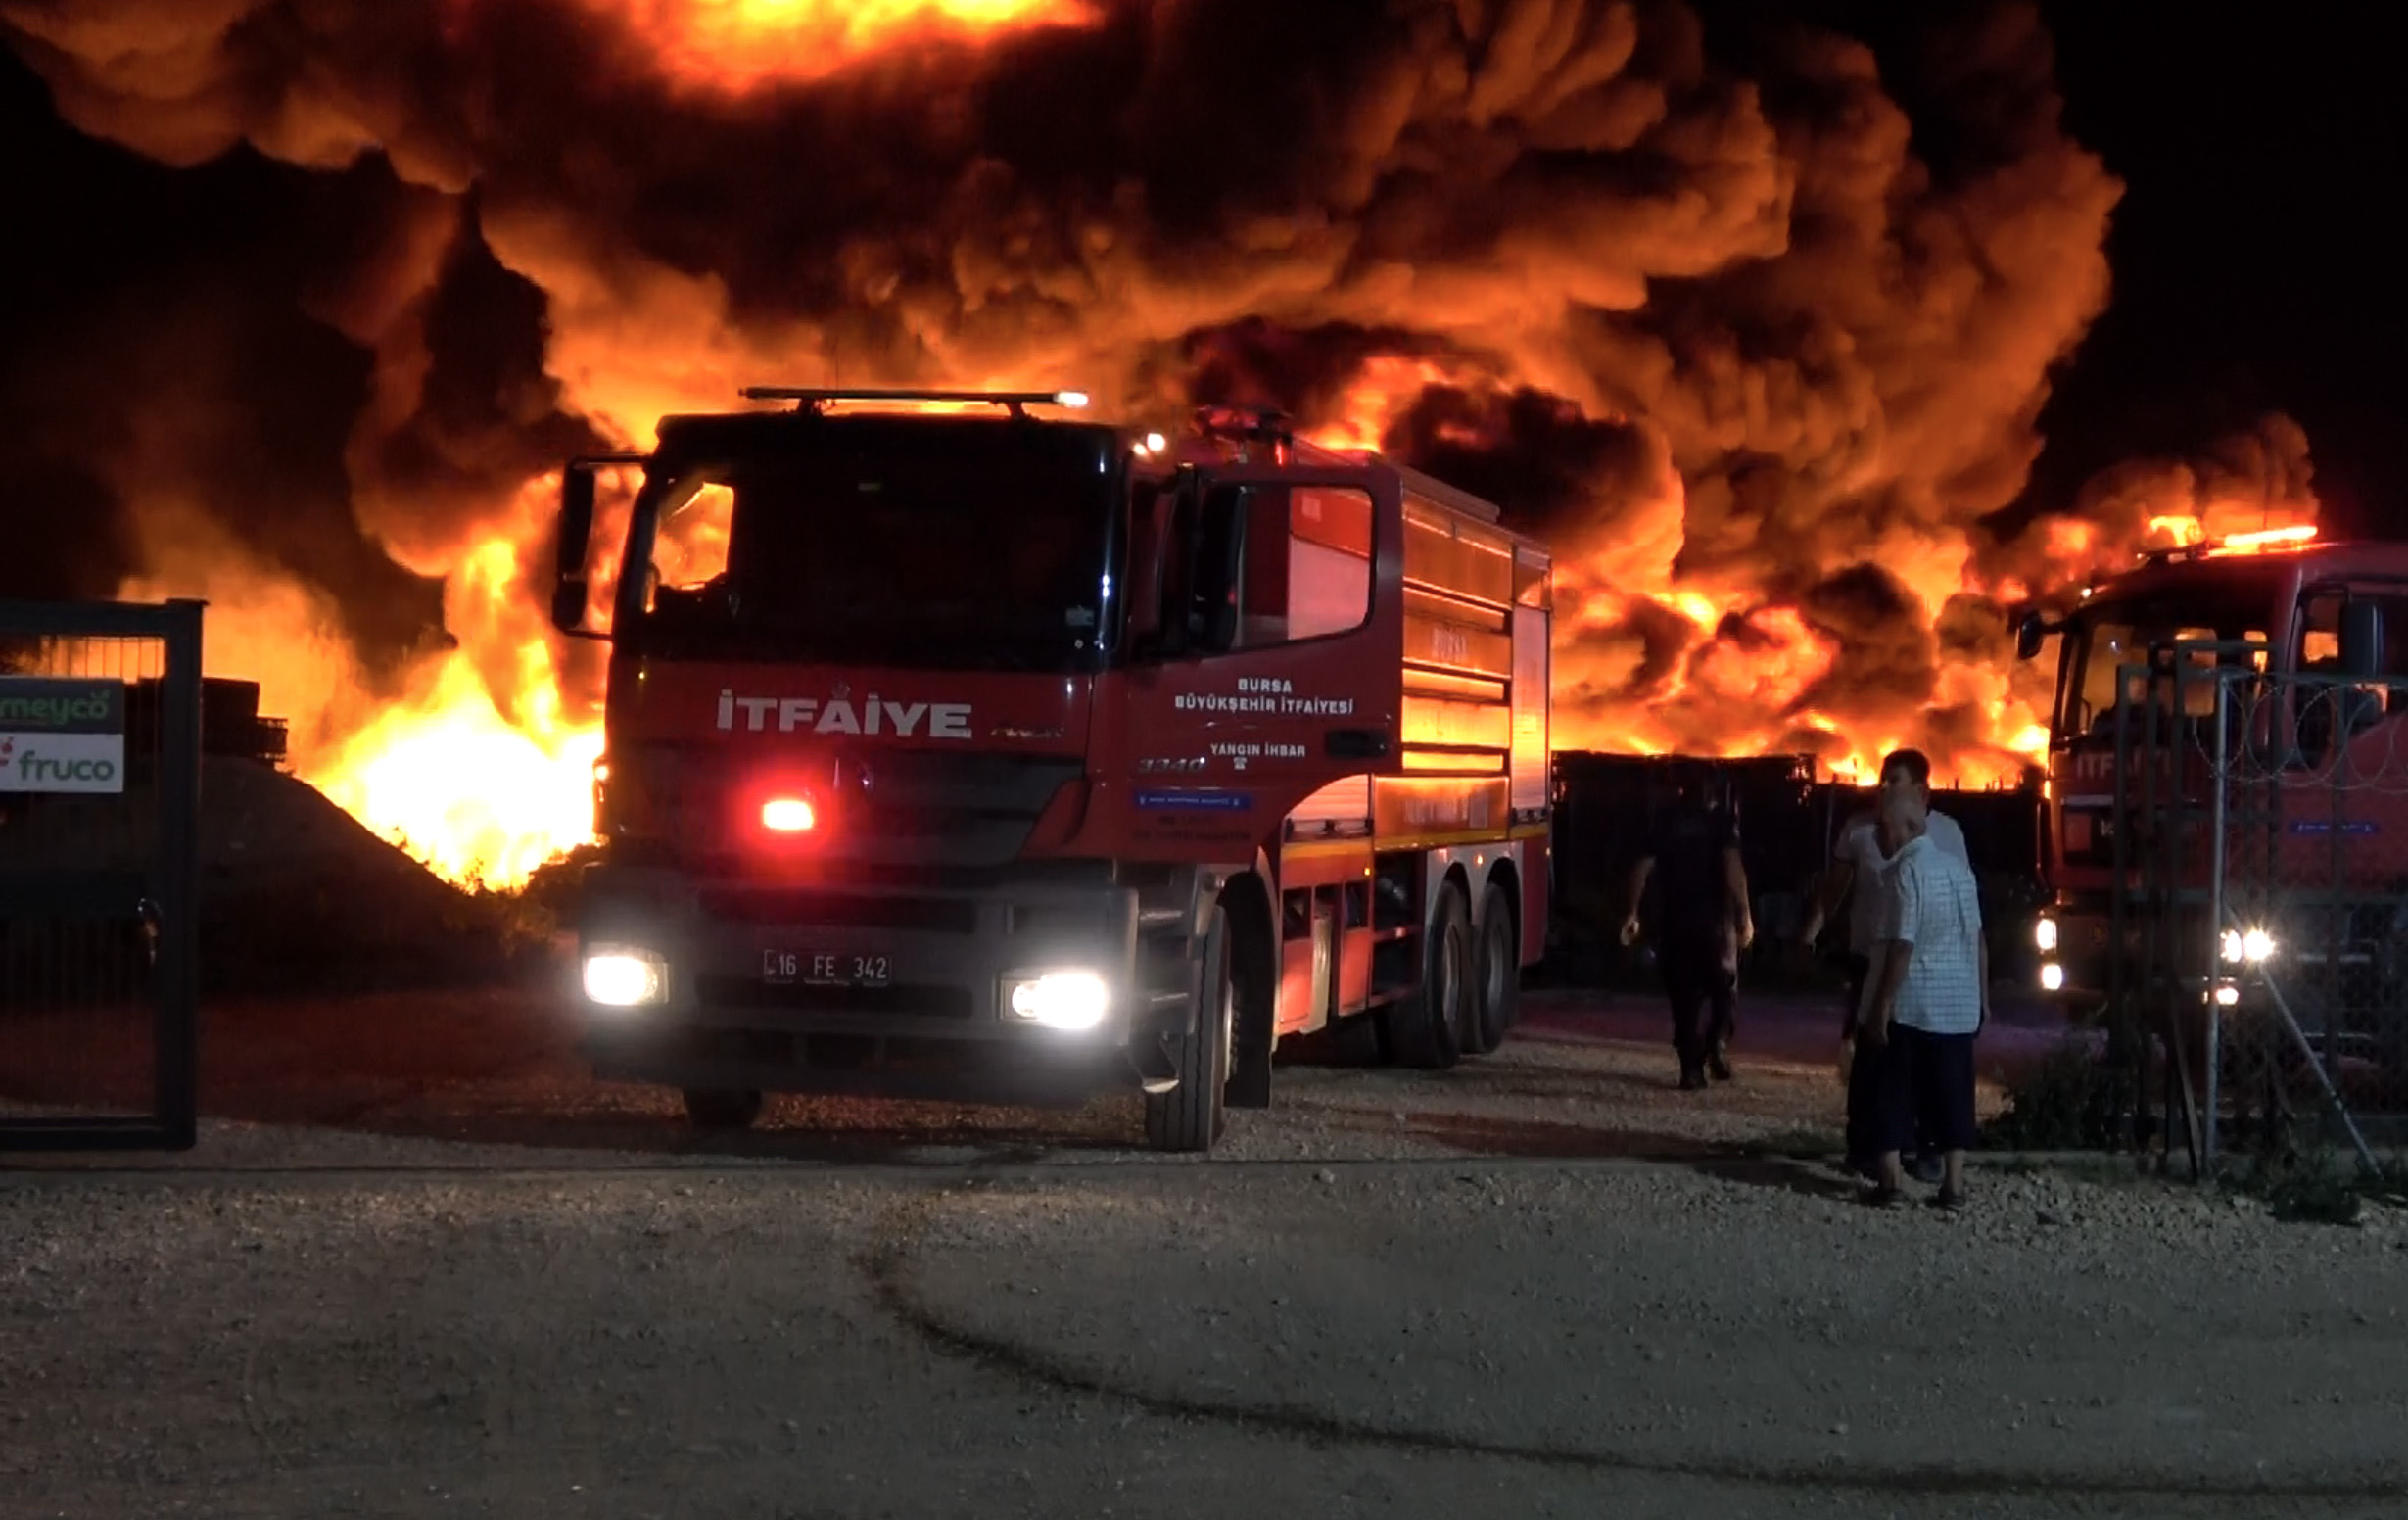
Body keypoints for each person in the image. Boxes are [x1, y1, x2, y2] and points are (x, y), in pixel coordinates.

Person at [1799, 748, 1969, 1181]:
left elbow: (1964, 905)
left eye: (1894, 780)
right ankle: (1866, 1147)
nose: (1884, 787)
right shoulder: (1858, 830)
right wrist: (1810, 934)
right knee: (1870, 1056)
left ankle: (1921, 1148)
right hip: (1869, 958)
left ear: (1922, 789)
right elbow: (1835, 889)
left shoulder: (1949, 834)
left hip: (1924, 967)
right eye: (1883, 779)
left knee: (1924, 1062)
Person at [1861, 783, 1987, 1209]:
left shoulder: (1902, 874)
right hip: (1957, 1009)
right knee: (1953, 1093)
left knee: (1892, 1092)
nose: (1878, 834)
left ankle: (1891, 1184)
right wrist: (1981, 999)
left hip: (1914, 1005)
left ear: (1907, 828)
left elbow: (1902, 945)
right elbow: (1976, 938)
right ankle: (1954, 1187)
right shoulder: (1960, 871)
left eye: (1883, 825)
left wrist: (1880, 1007)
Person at [1621, 763, 1754, 1090]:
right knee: (1723, 987)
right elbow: (1733, 868)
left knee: (1684, 997)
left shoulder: (1666, 821)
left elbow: (1642, 866)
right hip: (1712, 924)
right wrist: (1745, 915)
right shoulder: (1721, 822)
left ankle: (1692, 1067)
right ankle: (1713, 1044)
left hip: (1676, 921)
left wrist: (1632, 911)